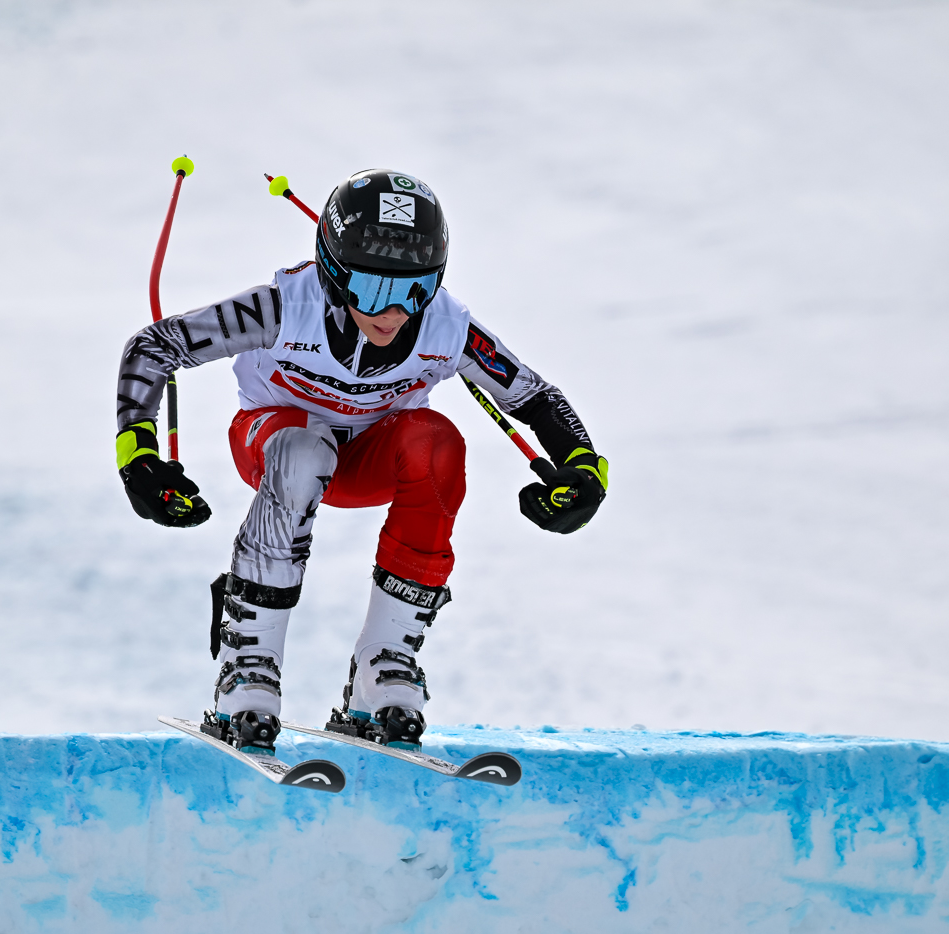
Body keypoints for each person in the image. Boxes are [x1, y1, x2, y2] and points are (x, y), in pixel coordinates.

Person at [114, 170, 607, 754]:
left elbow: (534, 397)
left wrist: (583, 468)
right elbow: (154, 346)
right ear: (331, 271)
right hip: (274, 443)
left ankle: (385, 664)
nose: (394, 312)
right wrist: (139, 456)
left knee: (438, 443)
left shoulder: (445, 328)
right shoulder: (283, 307)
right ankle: (248, 663)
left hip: (369, 460)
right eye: (373, 290)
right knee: (303, 450)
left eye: (415, 290)